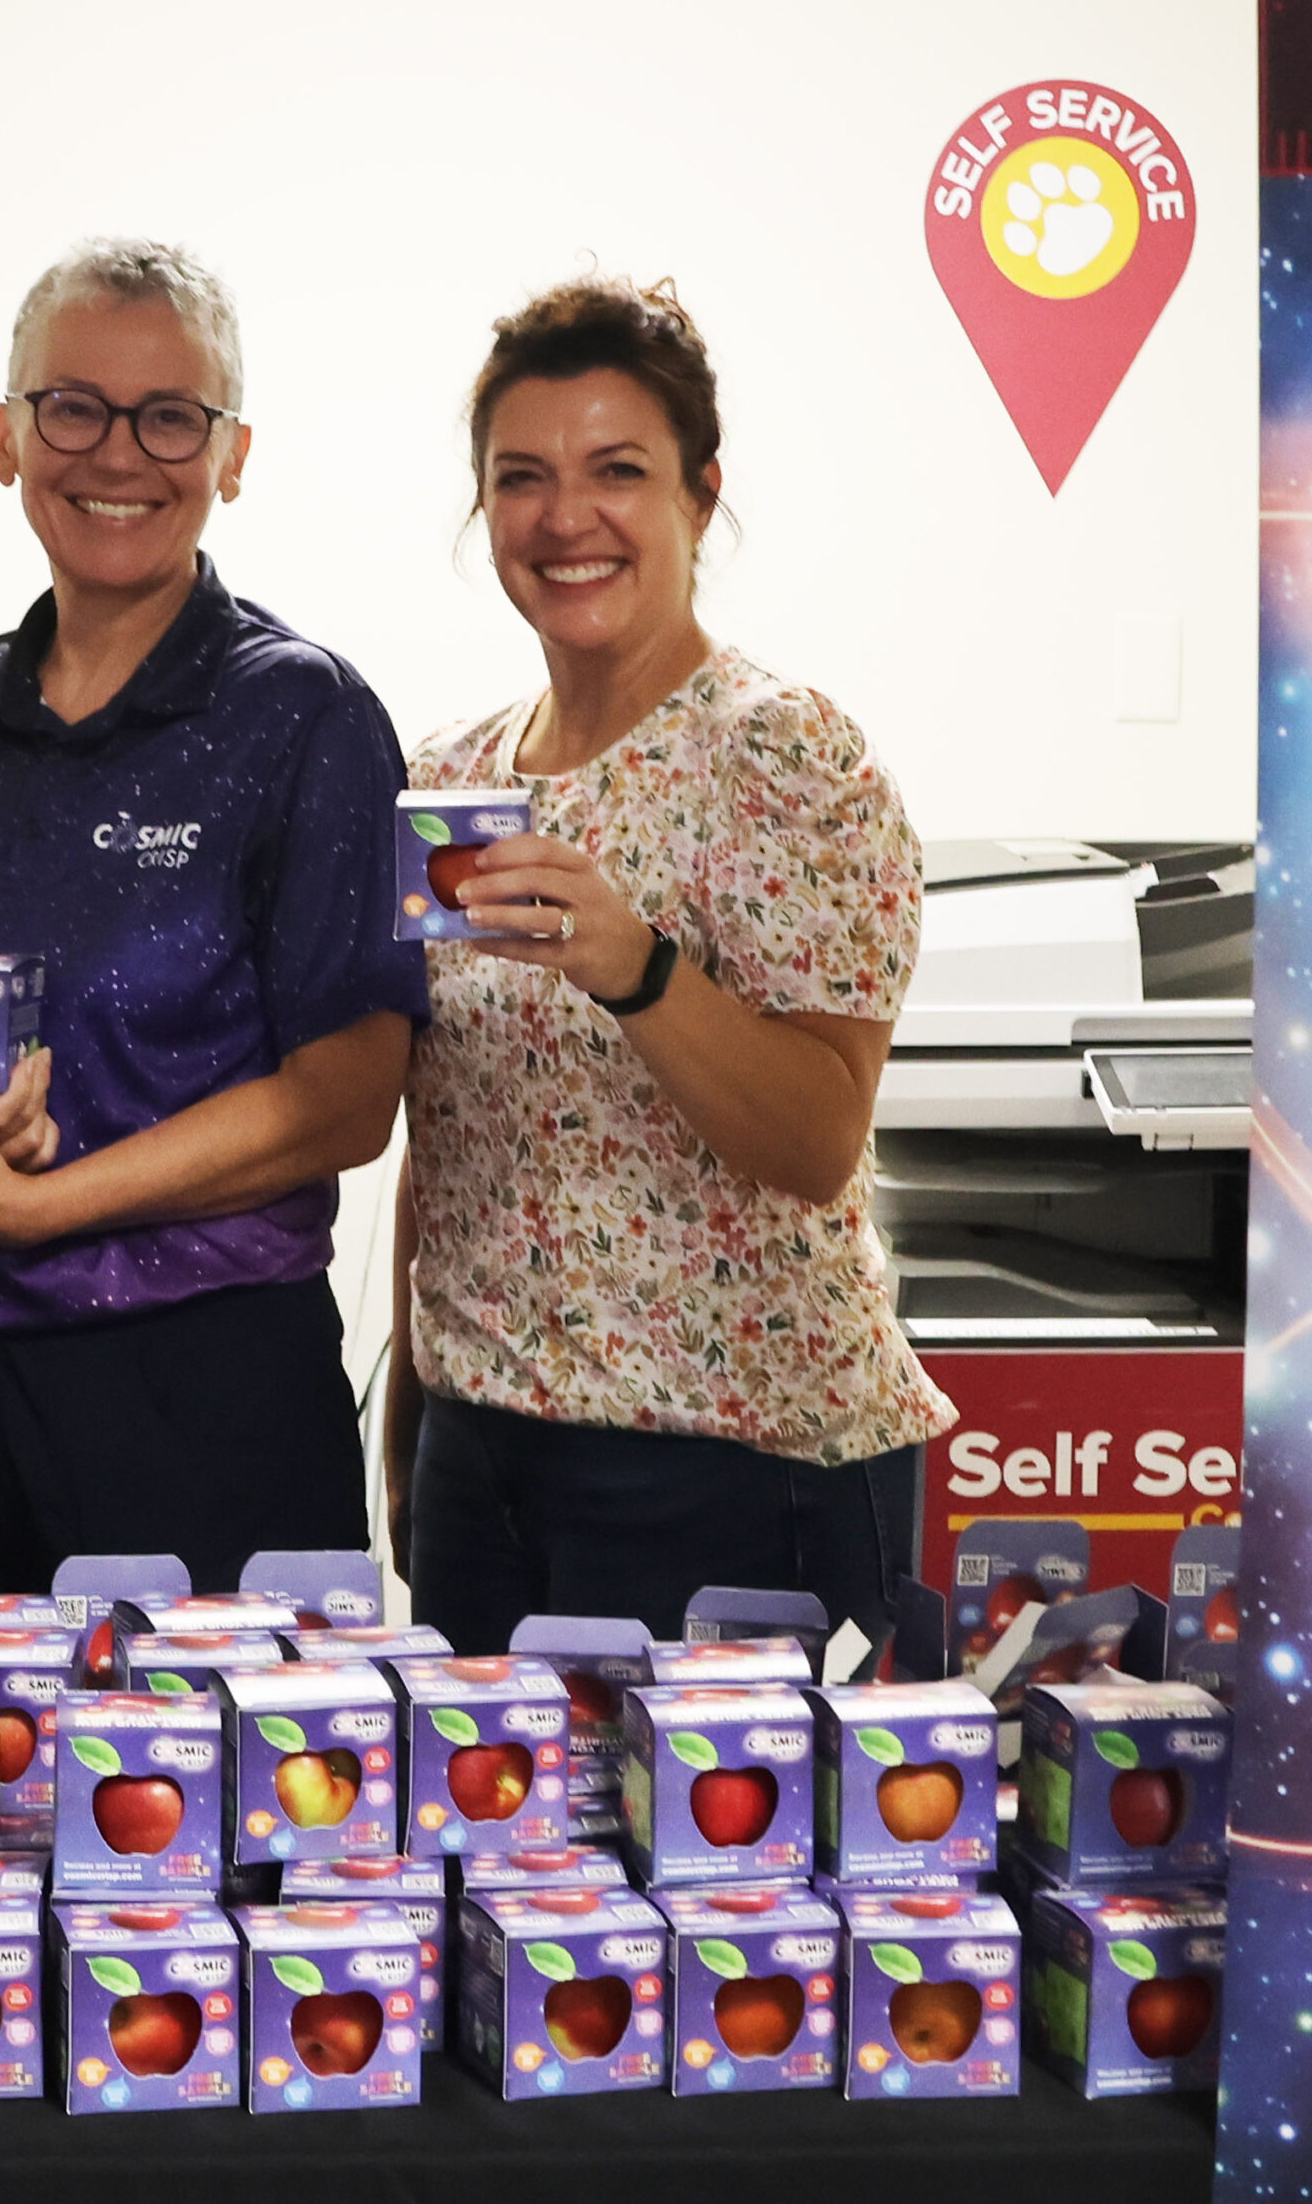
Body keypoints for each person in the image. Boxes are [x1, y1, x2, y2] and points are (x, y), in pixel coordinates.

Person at [0, 239, 428, 1654]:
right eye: (73, 407)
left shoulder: (309, 716)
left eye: (170, 418)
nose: (117, 455)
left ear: (232, 456)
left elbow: (349, 1098)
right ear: (7, 434)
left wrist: (41, 1206)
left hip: (194, 1393)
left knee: (211, 1789)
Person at [385, 277, 953, 1652]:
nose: (564, 517)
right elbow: (447, 1126)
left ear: (702, 497)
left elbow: (818, 1140)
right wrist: (411, 1416)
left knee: (724, 1817)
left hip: (740, 1464)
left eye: (617, 471)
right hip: (485, 1456)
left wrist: (637, 967)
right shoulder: (450, 778)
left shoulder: (785, 753)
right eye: (522, 477)